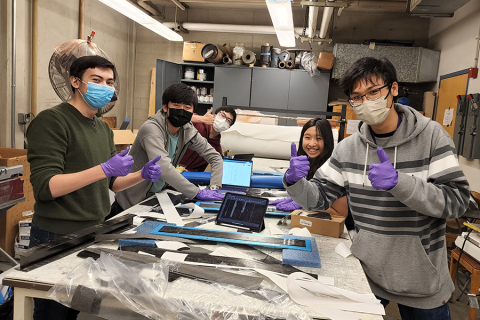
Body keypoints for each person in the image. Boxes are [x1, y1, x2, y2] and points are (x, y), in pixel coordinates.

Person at [284, 57, 470, 319]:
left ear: (393, 89)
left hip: (421, 280)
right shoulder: (348, 148)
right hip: (368, 274)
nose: (365, 102)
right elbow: (319, 198)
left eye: (373, 92)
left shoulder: (432, 137)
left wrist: (400, 183)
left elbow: (457, 201)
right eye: (357, 97)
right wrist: (294, 182)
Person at [26, 55, 162, 320]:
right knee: (53, 314)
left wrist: (141, 175)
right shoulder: (52, 121)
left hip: (92, 232)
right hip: (57, 235)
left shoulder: (102, 128)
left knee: (79, 310)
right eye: (96, 80)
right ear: (75, 82)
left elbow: (111, 183)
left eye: (110, 82)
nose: (105, 87)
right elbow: (46, 187)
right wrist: (104, 169)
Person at [113, 83, 224, 213]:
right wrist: (196, 192)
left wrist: (214, 188)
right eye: (176, 105)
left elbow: (214, 156)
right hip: (130, 202)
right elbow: (163, 167)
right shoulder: (152, 129)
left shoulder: (187, 130)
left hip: (156, 198)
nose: (182, 111)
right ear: (165, 107)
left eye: (187, 107)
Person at [271, 118, 349, 220]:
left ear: (328, 141)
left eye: (319, 138)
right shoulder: (307, 161)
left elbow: (340, 214)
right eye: (307, 137)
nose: (312, 144)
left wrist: (304, 203)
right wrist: (296, 195)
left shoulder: (333, 169)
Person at [180, 106, 237, 172]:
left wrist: (190, 172)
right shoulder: (196, 124)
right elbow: (180, 116)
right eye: (222, 115)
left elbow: (202, 169)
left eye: (228, 120)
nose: (224, 120)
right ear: (214, 115)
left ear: (228, 127)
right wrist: (202, 119)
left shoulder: (217, 150)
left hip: (185, 177)